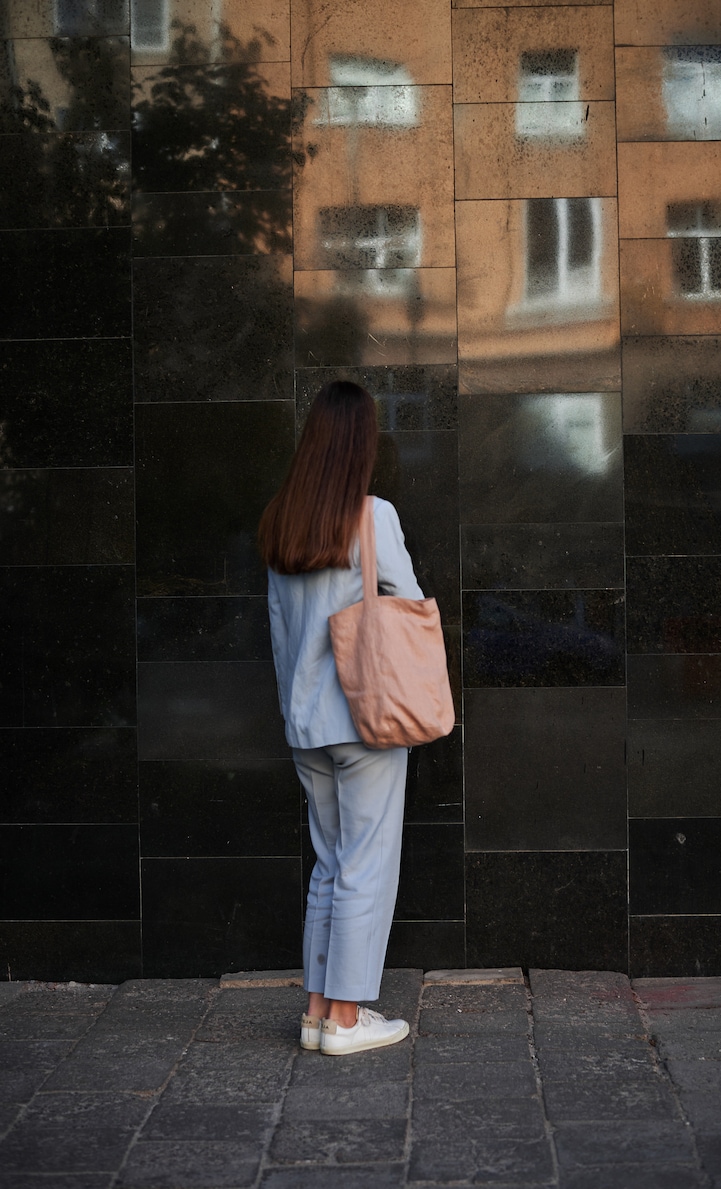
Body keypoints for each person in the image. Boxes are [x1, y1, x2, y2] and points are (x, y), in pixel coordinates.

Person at [258, 379, 423, 1056]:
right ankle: (349, 1021)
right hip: (366, 717)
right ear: (362, 442)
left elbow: (276, 630)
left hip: (305, 722)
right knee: (366, 862)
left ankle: (318, 1010)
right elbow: (409, 602)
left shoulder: (281, 520)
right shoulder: (371, 516)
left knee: (329, 862)